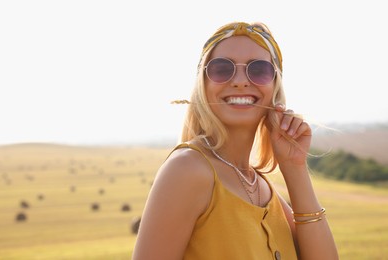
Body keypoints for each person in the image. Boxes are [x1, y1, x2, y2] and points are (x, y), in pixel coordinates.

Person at [132, 21, 338, 260]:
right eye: (222, 69)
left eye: (258, 70)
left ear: (274, 86)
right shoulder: (187, 169)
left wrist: (295, 167)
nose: (240, 81)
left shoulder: (262, 188)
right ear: (203, 83)